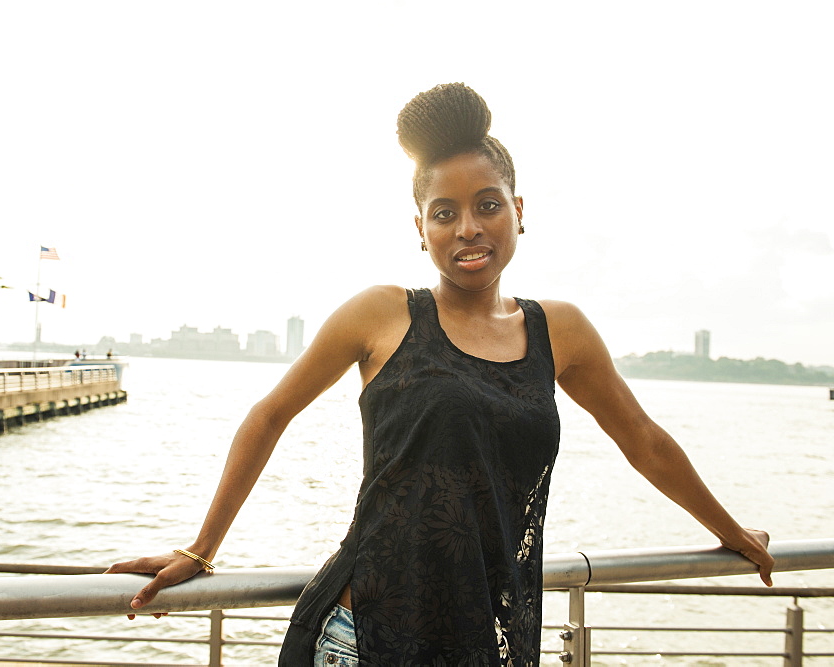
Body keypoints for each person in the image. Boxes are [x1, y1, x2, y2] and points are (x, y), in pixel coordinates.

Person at [105, 83, 773, 666]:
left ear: (519, 209)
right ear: (420, 229)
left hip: (484, 640)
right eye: (444, 213)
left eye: (487, 204)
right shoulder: (383, 313)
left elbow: (642, 437)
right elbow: (270, 414)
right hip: (359, 635)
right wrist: (200, 548)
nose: (467, 228)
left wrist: (731, 531)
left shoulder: (558, 329)